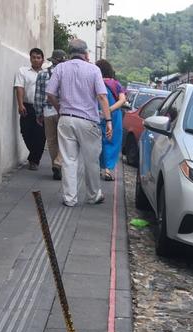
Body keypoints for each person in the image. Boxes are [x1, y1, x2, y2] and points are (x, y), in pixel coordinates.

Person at [46, 39, 113, 207]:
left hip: (66, 119)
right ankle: (93, 195)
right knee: (91, 160)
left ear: (70, 53)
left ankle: (70, 198)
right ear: (86, 53)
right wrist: (108, 120)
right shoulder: (94, 70)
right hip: (88, 121)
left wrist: (60, 108)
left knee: (68, 160)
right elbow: (102, 96)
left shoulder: (60, 68)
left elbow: (50, 94)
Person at [34, 49, 67, 180]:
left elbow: (38, 95)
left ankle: (55, 165)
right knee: (65, 139)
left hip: (48, 111)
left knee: (52, 140)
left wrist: (38, 113)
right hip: (63, 111)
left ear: (52, 60)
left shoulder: (42, 74)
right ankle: (59, 163)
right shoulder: (67, 73)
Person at [14, 48, 48, 170]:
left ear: (42, 60)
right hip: (27, 106)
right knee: (25, 131)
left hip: (42, 107)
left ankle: (34, 160)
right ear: (30, 59)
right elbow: (19, 87)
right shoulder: (23, 71)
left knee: (41, 135)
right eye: (33, 57)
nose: (36, 60)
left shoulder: (46, 73)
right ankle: (34, 155)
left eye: (38, 57)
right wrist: (20, 104)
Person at [95, 59, 127, 181]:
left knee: (98, 141)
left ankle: (97, 167)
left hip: (97, 114)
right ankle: (108, 170)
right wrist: (109, 110)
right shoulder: (116, 84)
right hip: (114, 116)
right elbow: (122, 100)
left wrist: (103, 111)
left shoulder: (95, 82)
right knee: (112, 141)